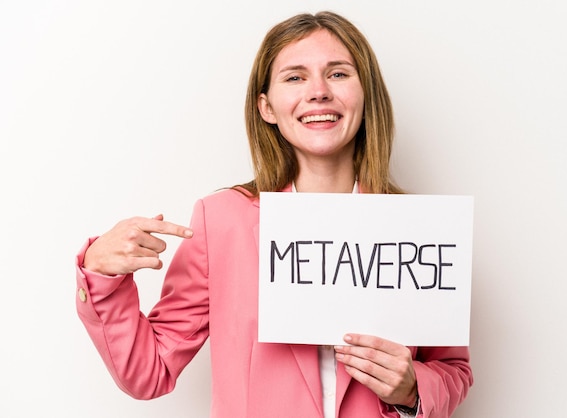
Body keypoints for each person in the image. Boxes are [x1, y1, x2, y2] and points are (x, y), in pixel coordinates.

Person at [75, 11, 473, 418]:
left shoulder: (420, 228)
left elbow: (453, 370)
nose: (318, 92)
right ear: (266, 106)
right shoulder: (223, 221)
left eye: (338, 74)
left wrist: (411, 389)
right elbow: (150, 372)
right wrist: (102, 275)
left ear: (367, 93)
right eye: (295, 77)